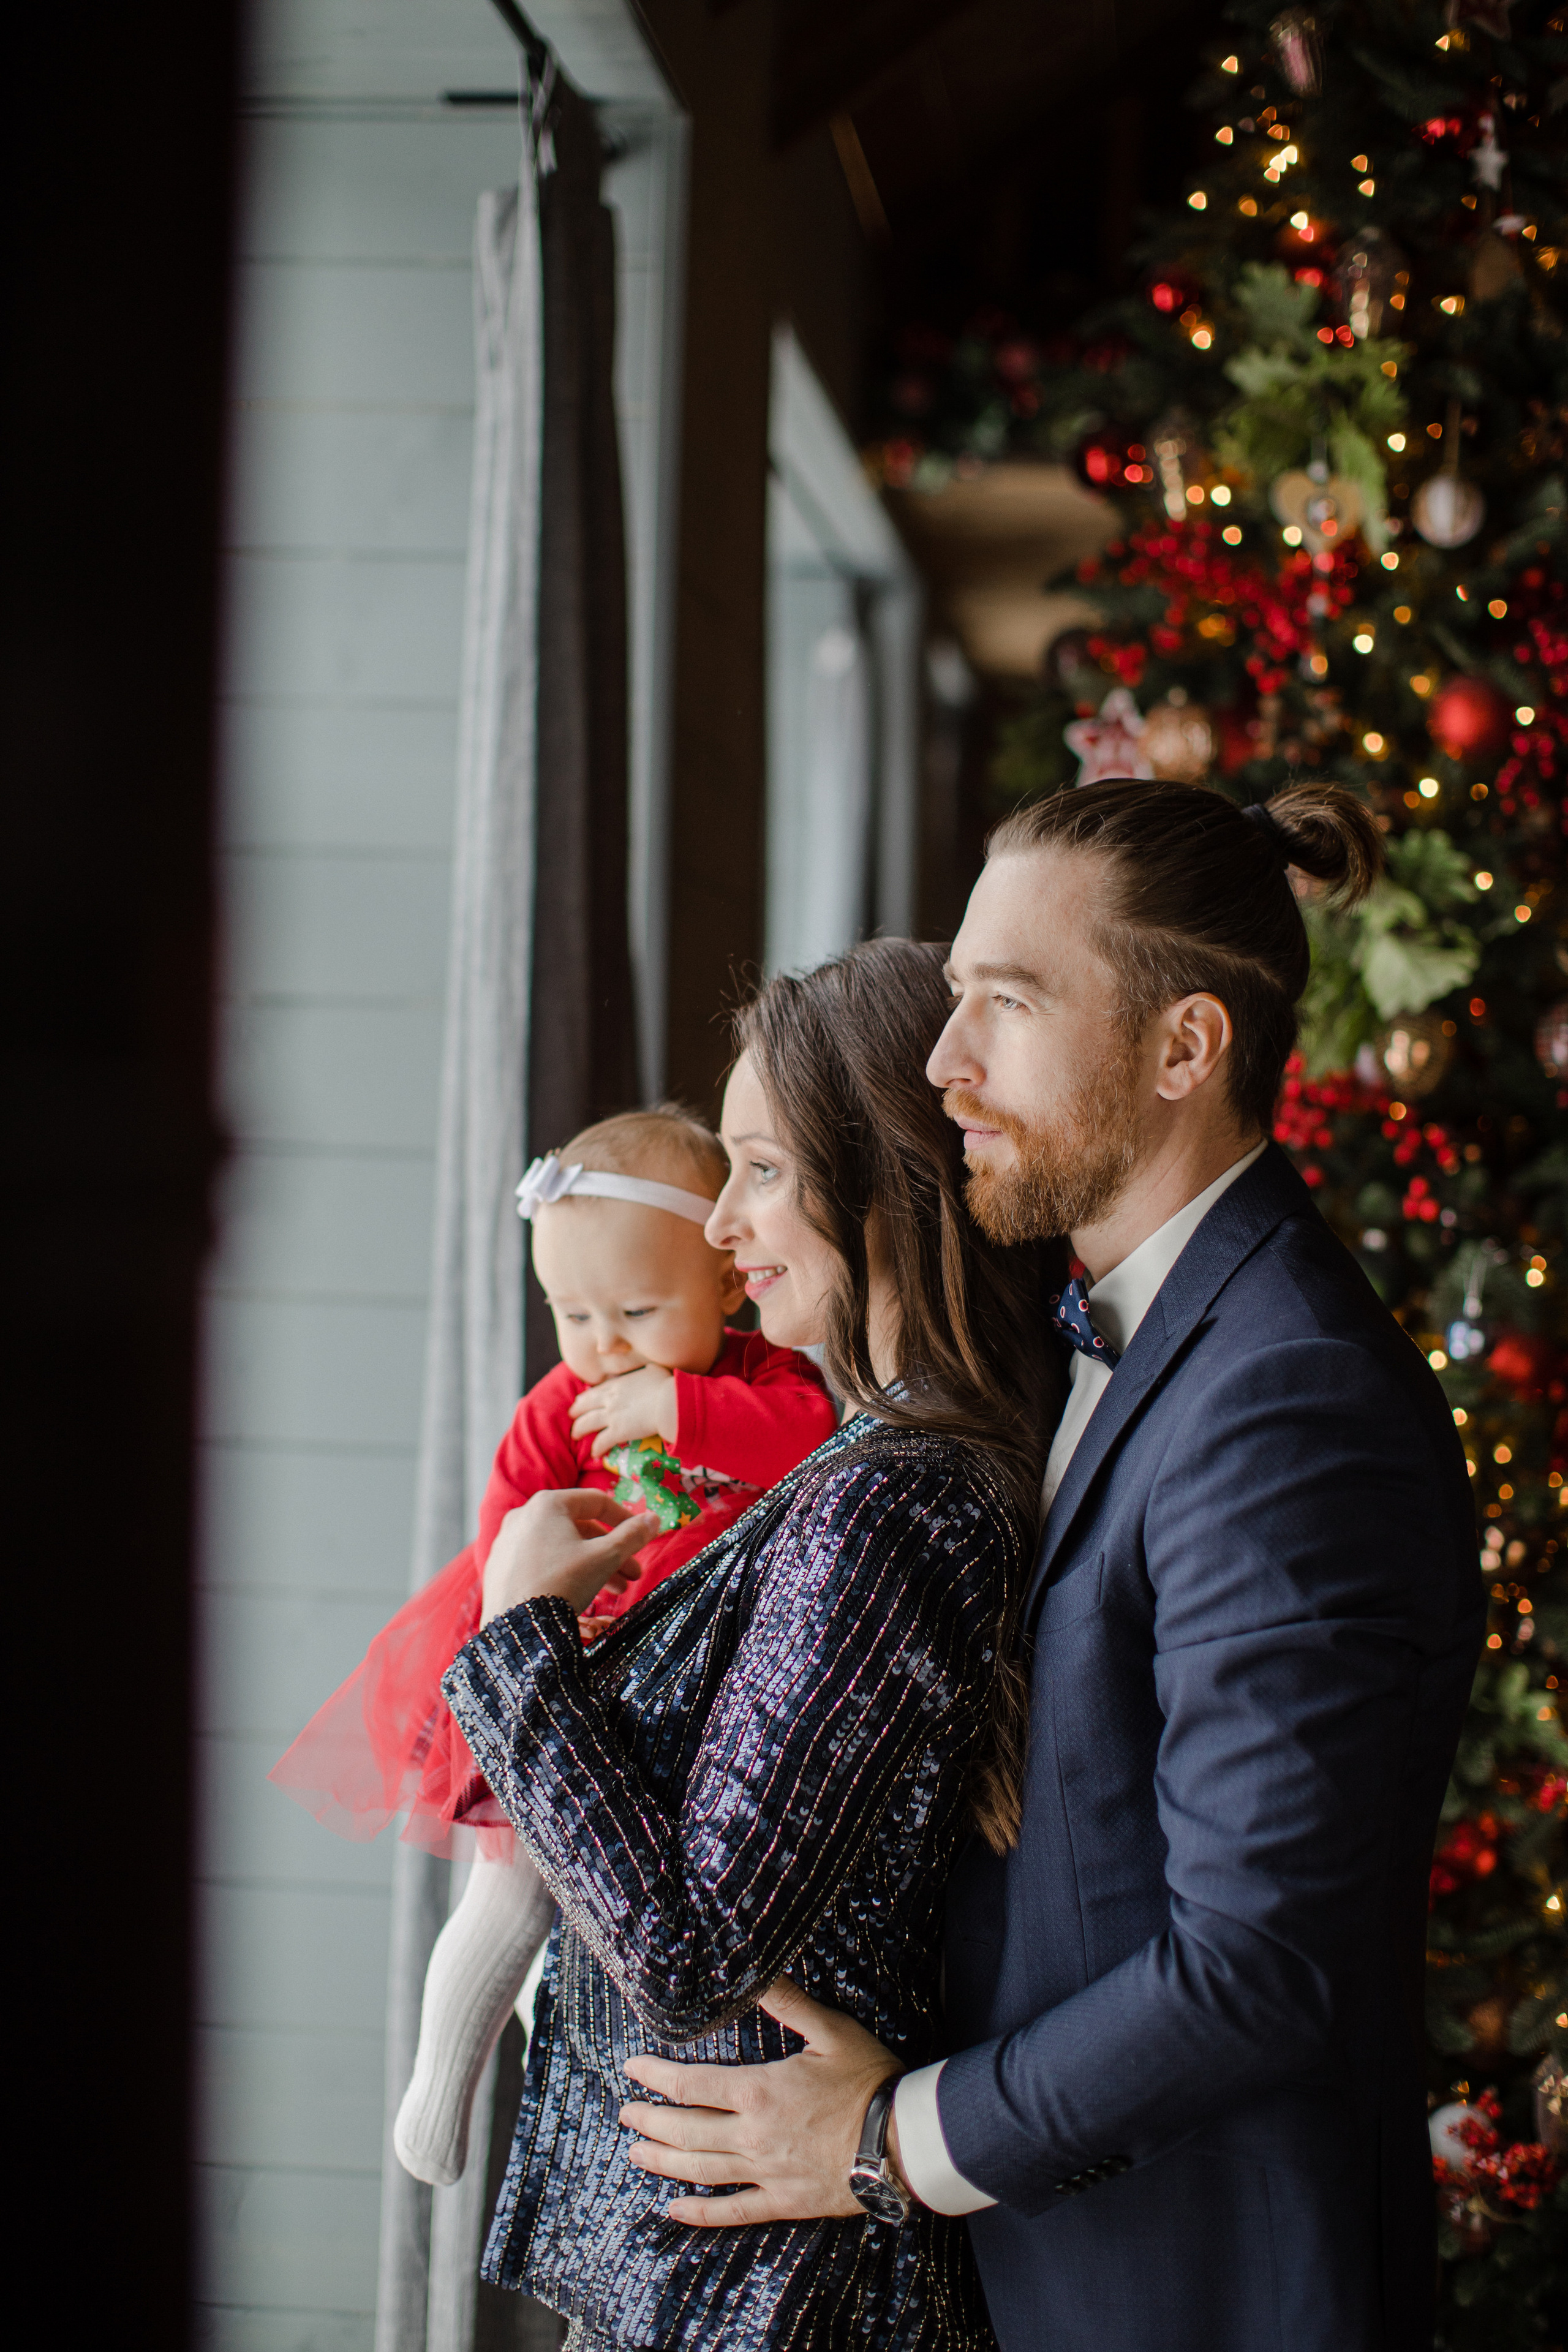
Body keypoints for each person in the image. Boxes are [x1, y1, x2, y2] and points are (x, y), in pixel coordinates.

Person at [617, 781, 1485, 2352]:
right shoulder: (1093, 1340)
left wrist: (881, 2145)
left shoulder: (1286, 1395)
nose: (943, 1065)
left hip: (1190, 2293)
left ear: (1181, 1050)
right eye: (953, 998)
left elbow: (1254, 1964)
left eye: (1004, 1005)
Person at [441, 939, 1066, 2348]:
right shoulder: (874, 1457)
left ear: (891, 1185)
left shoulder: (890, 1499)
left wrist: (518, 1639)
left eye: (762, 1171)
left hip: (768, 2292)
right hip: (734, 2264)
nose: (719, 1228)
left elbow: (684, 1950)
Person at [270, 1106, 837, 2187]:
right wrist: (528, 1615)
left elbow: (810, 1443)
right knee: (511, 1890)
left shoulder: (769, 1386)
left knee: (646, 1916)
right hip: (566, 1679)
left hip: (696, 1695)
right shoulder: (562, 1406)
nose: (603, 1345)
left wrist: (686, 1409)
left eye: (634, 1309)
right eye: (571, 1314)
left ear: (727, 1284)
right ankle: (441, 2083)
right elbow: (503, 1531)